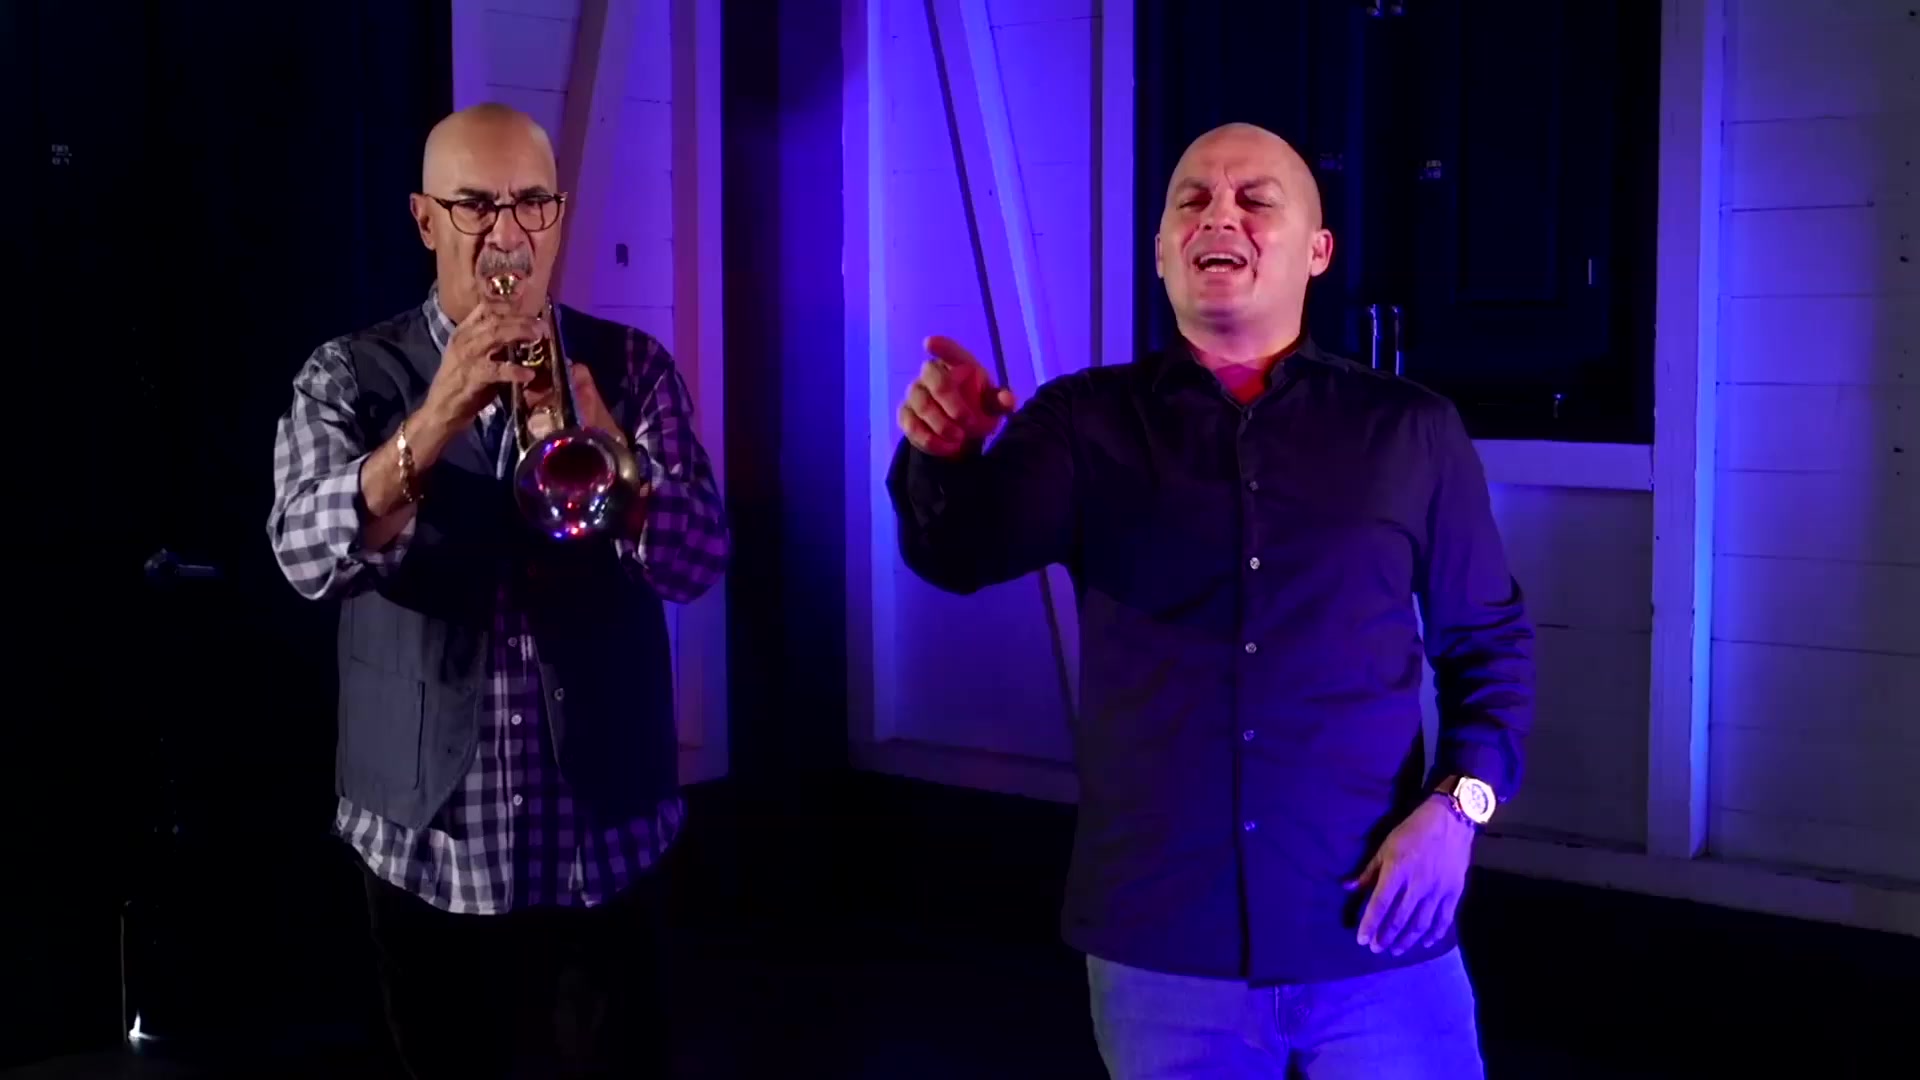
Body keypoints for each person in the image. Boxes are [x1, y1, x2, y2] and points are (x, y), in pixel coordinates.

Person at [887, 122, 1533, 1078]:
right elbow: (958, 552)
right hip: (1162, 950)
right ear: (1161, 252)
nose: (1217, 215)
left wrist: (1458, 807)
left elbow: (1489, 643)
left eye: (1254, 199)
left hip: (1378, 932)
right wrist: (944, 457)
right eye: (1191, 200)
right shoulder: (1083, 422)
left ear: (1318, 251)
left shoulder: (1412, 432)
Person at [267, 103, 727, 1079]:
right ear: (424, 219)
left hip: (602, 840)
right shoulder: (346, 373)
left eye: (531, 204)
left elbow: (698, 564)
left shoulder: (633, 368)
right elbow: (303, 557)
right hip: (426, 848)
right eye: (476, 205)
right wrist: (434, 421)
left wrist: (622, 476)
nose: (508, 236)